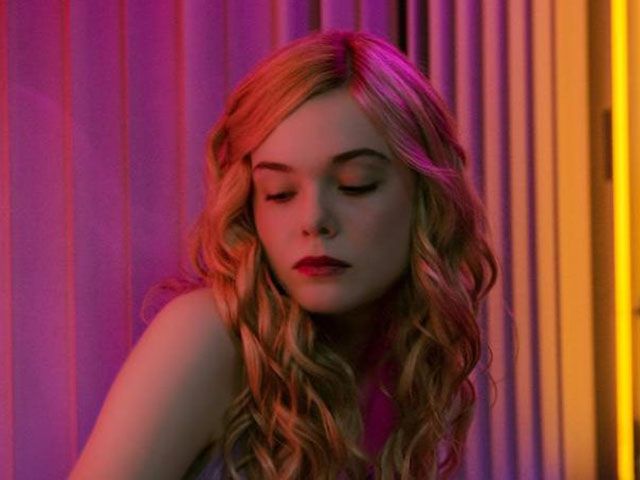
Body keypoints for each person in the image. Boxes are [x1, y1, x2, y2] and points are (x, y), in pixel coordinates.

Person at [69, 29, 498, 480]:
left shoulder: (403, 363)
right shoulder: (208, 335)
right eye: (279, 192)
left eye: (356, 185)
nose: (314, 220)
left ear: (427, 198)